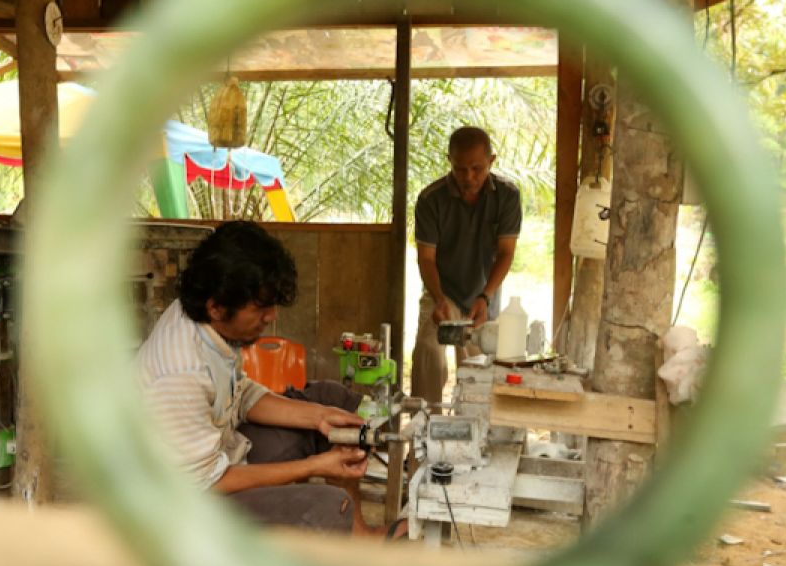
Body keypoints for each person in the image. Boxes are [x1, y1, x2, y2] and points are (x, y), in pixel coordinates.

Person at [137, 220, 373, 534]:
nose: (272, 316)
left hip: (218, 455)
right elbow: (210, 482)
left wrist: (319, 415)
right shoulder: (181, 373)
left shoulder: (205, 320)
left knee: (330, 404)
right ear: (217, 307)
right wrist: (315, 466)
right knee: (328, 509)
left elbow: (242, 394)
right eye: (261, 307)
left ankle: (360, 536)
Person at [411, 126, 522, 405]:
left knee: (479, 370)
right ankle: (424, 428)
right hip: (442, 290)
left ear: (491, 161)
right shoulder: (430, 200)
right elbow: (426, 258)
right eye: (460, 169)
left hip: (483, 293)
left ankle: (474, 436)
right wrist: (438, 300)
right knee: (427, 352)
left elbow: (506, 253)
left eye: (477, 168)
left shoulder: (507, 196)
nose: (468, 177)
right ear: (449, 160)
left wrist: (485, 296)